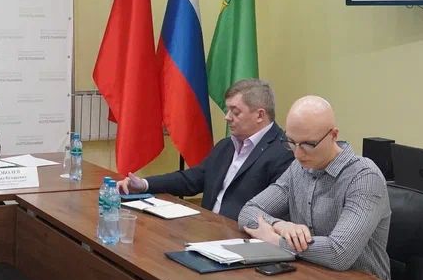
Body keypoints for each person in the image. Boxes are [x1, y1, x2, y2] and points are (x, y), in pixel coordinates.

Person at [238, 95, 391, 280]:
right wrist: (281, 225)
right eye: (291, 142)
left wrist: (275, 240)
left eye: (308, 144)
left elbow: (339, 253)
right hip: (309, 276)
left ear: (333, 135)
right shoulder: (299, 167)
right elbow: (248, 211)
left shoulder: (364, 177)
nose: (297, 153)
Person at [117, 79, 292, 220]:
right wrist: (144, 184)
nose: (227, 117)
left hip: (241, 239)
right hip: (206, 228)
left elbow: (275, 211)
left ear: (260, 115)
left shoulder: (284, 153)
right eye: (228, 110)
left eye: (235, 112)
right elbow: (192, 179)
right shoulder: (226, 146)